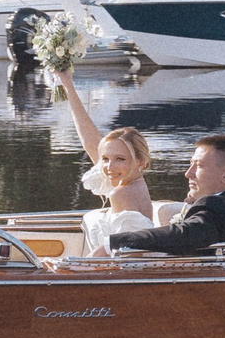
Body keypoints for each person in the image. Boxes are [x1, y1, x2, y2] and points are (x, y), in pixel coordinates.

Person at [107, 134, 225, 255]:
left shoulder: (216, 210)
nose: (188, 173)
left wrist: (114, 242)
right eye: (191, 164)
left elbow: (184, 234)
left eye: (199, 166)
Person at [55, 67, 154, 246]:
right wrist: (68, 85)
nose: (109, 167)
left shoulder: (122, 193)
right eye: (106, 159)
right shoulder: (131, 184)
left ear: (140, 162)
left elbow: (124, 253)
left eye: (120, 159)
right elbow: (91, 142)